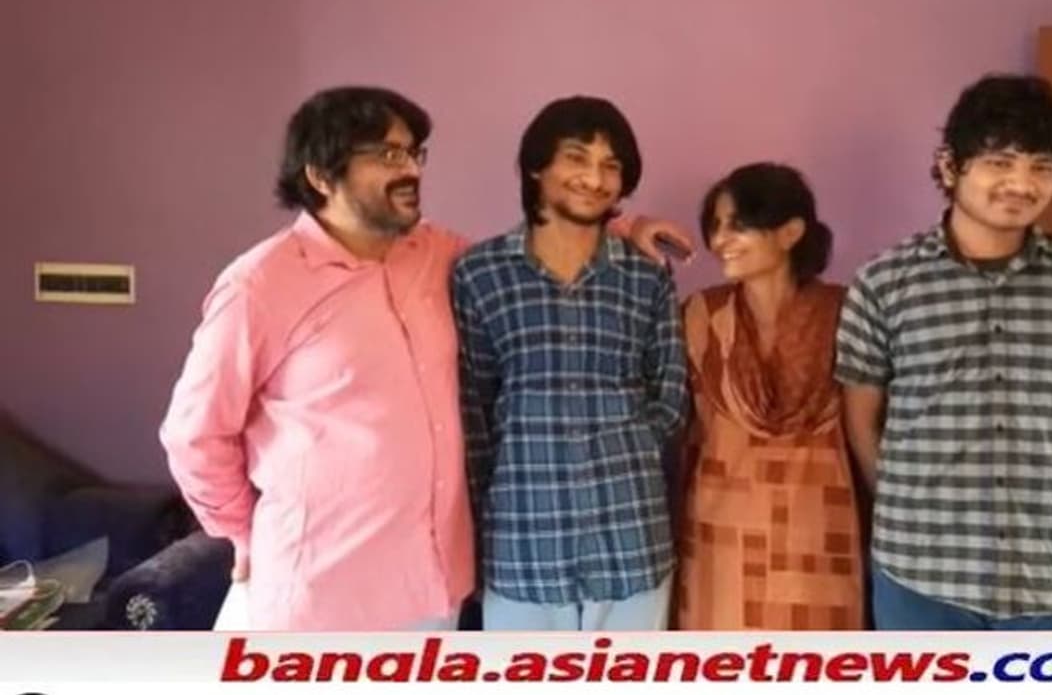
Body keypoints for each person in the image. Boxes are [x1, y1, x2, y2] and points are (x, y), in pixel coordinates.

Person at [159, 86, 691, 630]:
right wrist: (241, 532)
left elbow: (544, 256)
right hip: (322, 589)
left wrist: (620, 227)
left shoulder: (437, 254)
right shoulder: (259, 286)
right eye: (388, 154)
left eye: (414, 153)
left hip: (432, 586)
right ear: (320, 175)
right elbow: (194, 435)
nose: (411, 169)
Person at [836, 74, 1052, 630]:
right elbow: (861, 423)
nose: (1021, 183)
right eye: (1000, 162)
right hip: (919, 572)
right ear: (951, 167)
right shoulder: (883, 283)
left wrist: (1051, 492)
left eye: (1041, 167)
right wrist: (913, 504)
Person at [452, 95, 688, 630]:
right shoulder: (479, 274)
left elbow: (671, 393)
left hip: (631, 541)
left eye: (611, 166)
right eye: (577, 158)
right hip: (524, 544)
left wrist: (629, 446)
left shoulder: (645, 276)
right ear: (537, 167)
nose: (595, 178)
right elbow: (474, 408)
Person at [674, 162, 865, 630]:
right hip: (720, 538)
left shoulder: (846, 315)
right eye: (715, 226)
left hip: (818, 536)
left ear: (790, 232)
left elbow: (872, 425)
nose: (720, 239)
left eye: (737, 225)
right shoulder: (702, 316)